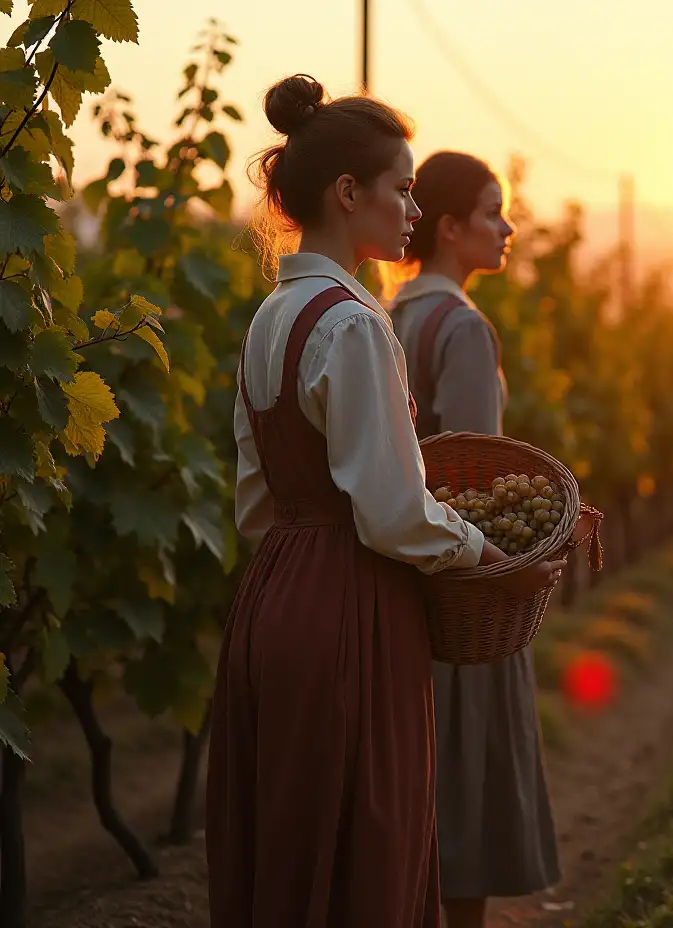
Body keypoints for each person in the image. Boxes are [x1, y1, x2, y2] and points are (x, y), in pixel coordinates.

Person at [205, 74, 564, 928]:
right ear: (346, 194)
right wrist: (490, 555)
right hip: (350, 609)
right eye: (401, 188)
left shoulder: (273, 317)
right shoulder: (357, 324)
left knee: (290, 842)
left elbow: (257, 502)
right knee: (369, 845)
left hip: (271, 599)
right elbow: (393, 511)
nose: (411, 207)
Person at [382, 151, 560, 928]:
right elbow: (476, 485)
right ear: (449, 228)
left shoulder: (386, 318)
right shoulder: (463, 328)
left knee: (411, 791)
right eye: (493, 212)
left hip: (396, 583)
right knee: (466, 782)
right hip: (462, 596)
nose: (508, 226)